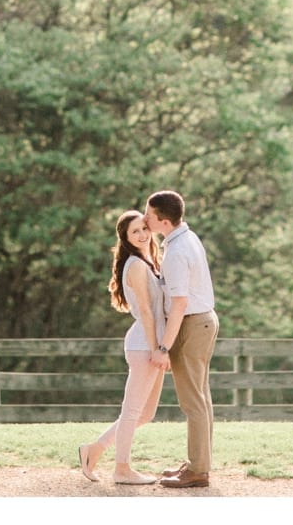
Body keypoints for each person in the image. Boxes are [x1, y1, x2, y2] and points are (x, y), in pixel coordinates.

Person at [78, 209, 167, 484]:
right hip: (144, 344)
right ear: (126, 238)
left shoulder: (148, 261)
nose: (142, 234)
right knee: (132, 411)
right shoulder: (137, 265)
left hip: (153, 343)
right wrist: (157, 349)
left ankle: (94, 449)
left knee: (146, 413)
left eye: (144, 228)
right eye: (135, 232)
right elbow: (146, 311)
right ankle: (122, 469)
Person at [144, 189, 218, 489]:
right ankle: (198, 463)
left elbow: (179, 304)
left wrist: (163, 347)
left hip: (192, 324)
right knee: (201, 397)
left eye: (149, 215)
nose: (145, 219)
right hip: (204, 321)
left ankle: (199, 471)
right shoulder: (188, 237)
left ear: (163, 221)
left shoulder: (175, 253)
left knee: (193, 402)